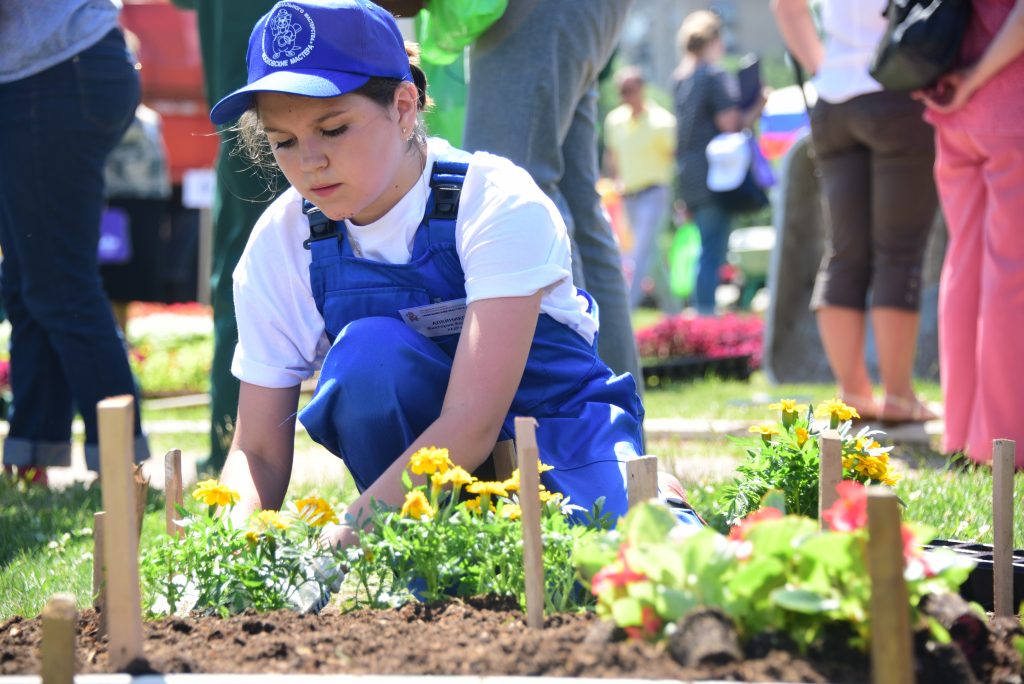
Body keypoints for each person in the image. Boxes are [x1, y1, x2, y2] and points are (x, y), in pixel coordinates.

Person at [206, 0, 703, 544]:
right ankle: (422, 554)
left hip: (557, 436)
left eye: (333, 128)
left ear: (403, 108)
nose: (309, 162)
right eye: (284, 141)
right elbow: (255, 450)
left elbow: (471, 422)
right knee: (366, 357)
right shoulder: (282, 241)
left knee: (624, 571)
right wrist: (232, 549)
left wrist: (348, 533)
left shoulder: (495, 200)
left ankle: (652, 497)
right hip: (420, 490)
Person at [0, 0, 150, 480]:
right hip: (57, 71)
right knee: (29, 281)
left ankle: (122, 467)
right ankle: (32, 456)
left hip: (55, 75)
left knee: (59, 285)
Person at [772, 0, 939, 424]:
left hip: (834, 99)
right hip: (895, 92)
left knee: (843, 251)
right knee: (897, 253)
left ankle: (854, 393)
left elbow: (785, 8)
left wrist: (824, 68)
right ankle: (899, 396)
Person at [461, 0, 643, 387]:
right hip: (573, 12)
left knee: (508, 195)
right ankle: (613, 428)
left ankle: (574, 422)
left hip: (532, 11)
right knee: (576, 205)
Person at [169, 0, 281, 474]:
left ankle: (231, 442)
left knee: (243, 278)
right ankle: (232, 443)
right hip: (250, 115)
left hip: (258, 113)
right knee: (243, 279)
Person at [916, 0, 1024, 465]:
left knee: (966, 261)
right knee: (1010, 272)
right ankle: (1002, 441)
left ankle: (961, 433)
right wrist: (979, 75)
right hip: (1009, 105)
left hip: (954, 114)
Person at [673, 10, 765, 317]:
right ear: (713, 40)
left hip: (689, 174)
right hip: (716, 174)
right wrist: (757, 105)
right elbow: (730, 124)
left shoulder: (681, 79)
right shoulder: (713, 76)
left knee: (706, 246)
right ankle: (706, 314)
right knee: (711, 250)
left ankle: (702, 310)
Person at [603, 67, 678, 311]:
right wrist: (614, 180)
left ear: (642, 89)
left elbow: (673, 158)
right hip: (628, 198)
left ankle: (624, 312)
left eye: (629, 90)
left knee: (638, 255)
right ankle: (673, 310)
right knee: (650, 256)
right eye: (621, 92)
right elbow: (612, 156)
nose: (625, 96)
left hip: (654, 193)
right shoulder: (614, 120)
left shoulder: (663, 121)